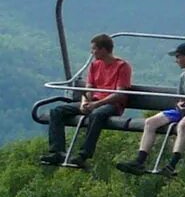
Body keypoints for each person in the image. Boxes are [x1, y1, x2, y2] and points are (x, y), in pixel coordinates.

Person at [116, 42, 185, 178]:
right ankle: (139, 161)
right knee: (150, 122)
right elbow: (181, 98)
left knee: (183, 125)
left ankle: (172, 165)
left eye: (178, 57)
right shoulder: (184, 76)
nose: (176, 61)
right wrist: (180, 105)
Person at [40, 33, 132, 168]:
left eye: (94, 49)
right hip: (93, 101)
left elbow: (120, 93)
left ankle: (84, 155)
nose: (92, 52)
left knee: (97, 114)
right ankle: (57, 151)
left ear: (104, 50)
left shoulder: (122, 66)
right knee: (57, 111)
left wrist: (96, 104)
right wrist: (85, 102)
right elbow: (89, 88)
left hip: (111, 105)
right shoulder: (95, 65)